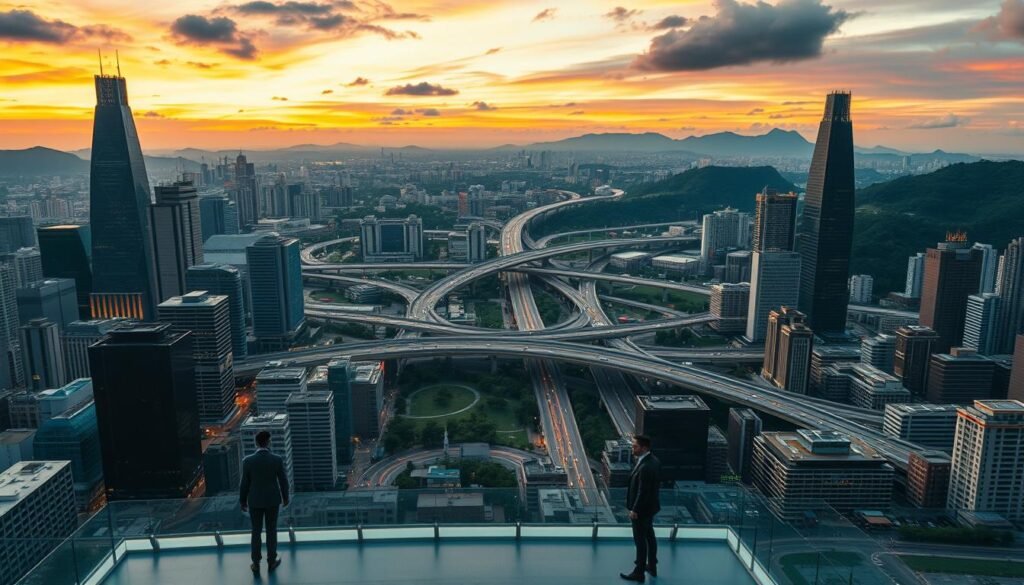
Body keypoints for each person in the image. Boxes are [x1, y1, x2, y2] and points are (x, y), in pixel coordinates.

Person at [240, 430, 290, 576]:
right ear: (268, 442)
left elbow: (244, 484)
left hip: (254, 501)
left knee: (256, 531)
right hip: (272, 500)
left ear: (256, 443)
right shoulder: (276, 459)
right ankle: (271, 561)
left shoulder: (248, 461)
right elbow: (283, 481)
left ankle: (256, 563)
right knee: (271, 530)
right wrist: (285, 497)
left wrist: (242, 501)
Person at [621, 434, 660, 582]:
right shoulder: (654, 461)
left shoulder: (646, 466)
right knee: (650, 536)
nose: (632, 448)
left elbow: (643, 491)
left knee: (640, 541)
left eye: (635, 446)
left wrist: (635, 510)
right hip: (650, 508)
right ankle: (652, 565)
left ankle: (639, 572)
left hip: (641, 510)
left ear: (644, 448)